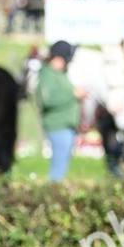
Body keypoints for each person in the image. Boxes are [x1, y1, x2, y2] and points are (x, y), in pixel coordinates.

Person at [37, 40, 86, 181]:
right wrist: (73, 94)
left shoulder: (59, 74)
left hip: (66, 126)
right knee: (58, 171)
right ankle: (53, 197)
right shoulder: (48, 74)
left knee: (61, 168)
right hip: (58, 126)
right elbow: (47, 100)